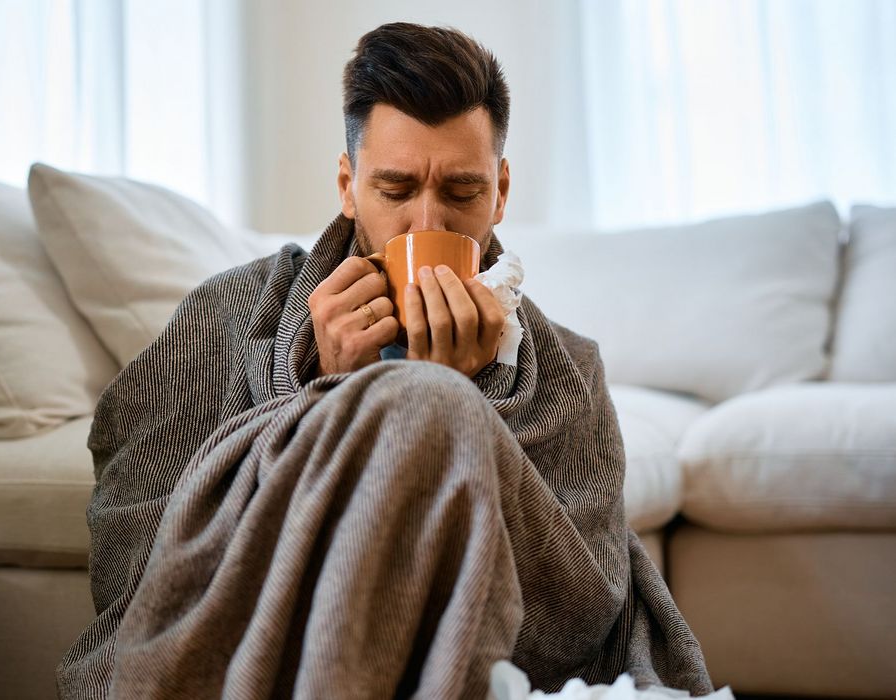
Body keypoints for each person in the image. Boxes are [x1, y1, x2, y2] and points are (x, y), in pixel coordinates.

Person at [58, 22, 713, 699]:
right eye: (395, 190)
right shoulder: (224, 316)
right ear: (348, 185)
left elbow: (578, 625)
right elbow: (132, 565)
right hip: (258, 637)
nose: (427, 226)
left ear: (501, 192)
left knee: (433, 403)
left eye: (461, 193)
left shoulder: (570, 372)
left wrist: (460, 408)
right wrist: (325, 391)